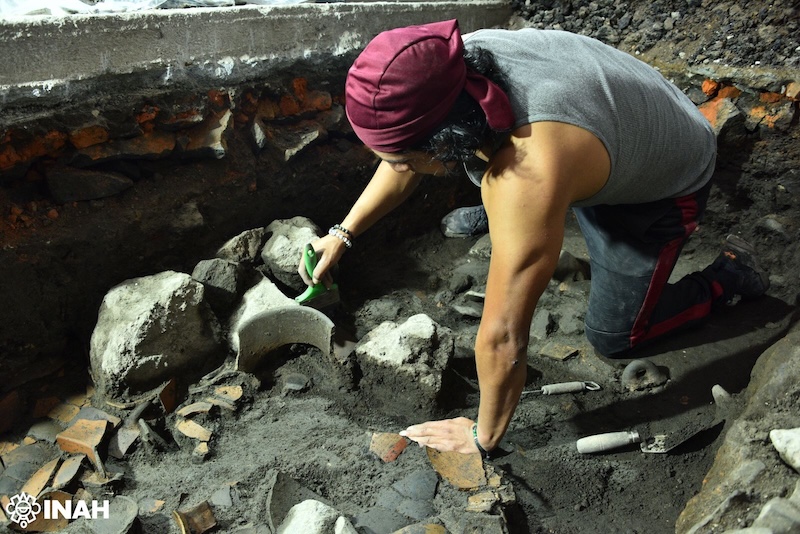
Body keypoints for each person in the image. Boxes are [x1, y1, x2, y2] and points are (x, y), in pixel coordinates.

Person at [298, 20, 769, 457]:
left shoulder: (528, 170)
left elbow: (504, 336)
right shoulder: (448, 69)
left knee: (616, 336)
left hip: (662, 177)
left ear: (446, 137)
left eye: (403, 160)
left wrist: (482, 436)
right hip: (606, 121)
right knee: (509, 194)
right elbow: (402, 151)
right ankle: (520, 222)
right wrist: (343, 233)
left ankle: (727, 277)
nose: (397, 167)